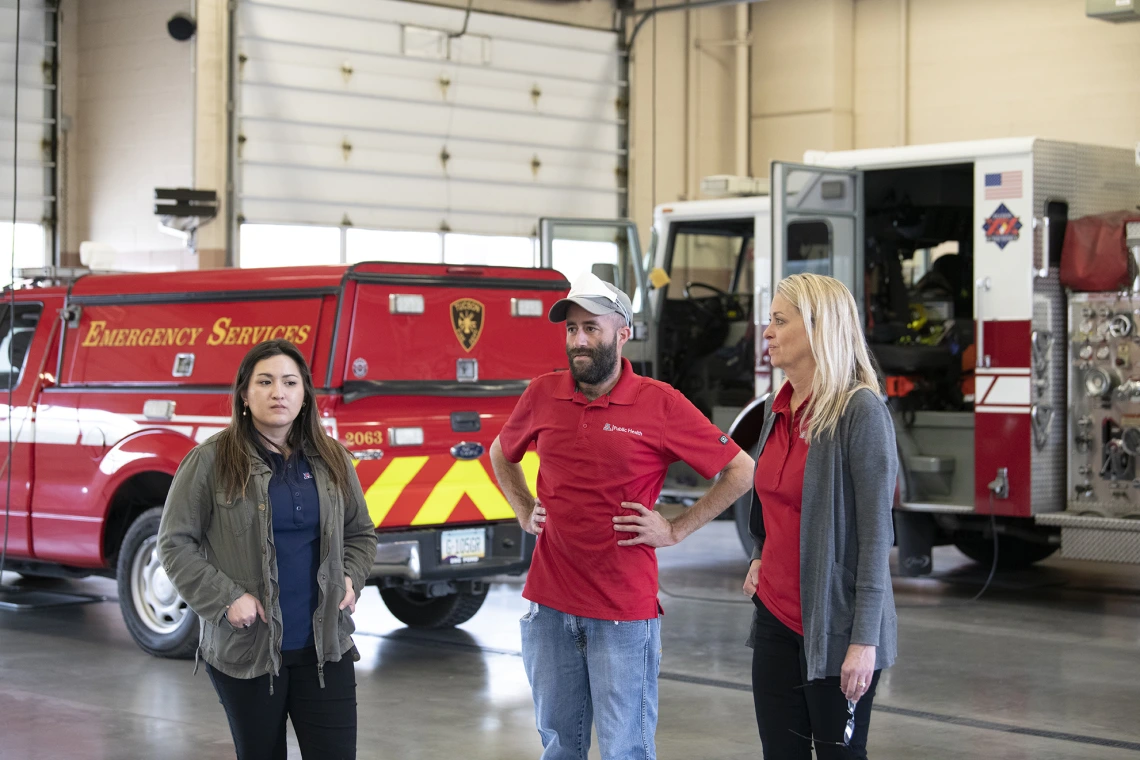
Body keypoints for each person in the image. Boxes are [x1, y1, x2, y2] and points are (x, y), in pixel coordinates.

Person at [490, 272, 755, 760]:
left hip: (622, 615)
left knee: (625, 749)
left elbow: (740, 470)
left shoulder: (660, 404)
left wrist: (674, 529)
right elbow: (500, 454)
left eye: (591, 328)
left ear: (623, 333)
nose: (579, 341)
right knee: (558, 746)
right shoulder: (542, 394)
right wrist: (524, 508)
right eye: (571, 330)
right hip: (548, 606)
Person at [158, 339, 378, 760]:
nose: (279, 392)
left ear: (304, 394)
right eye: (266, 381)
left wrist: (351, 576)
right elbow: (174, 543)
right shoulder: (210, 461)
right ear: (245, 394)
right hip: (249, 650)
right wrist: (225, 599)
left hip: (325, 646)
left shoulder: (332, 459)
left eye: (290, 382)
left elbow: (361, 533)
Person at [742, 273, 898, 759]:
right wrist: (760, 555)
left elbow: (876, 537)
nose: (766, 332)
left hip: (835, 627)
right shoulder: (776, 405)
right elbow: (773, 497)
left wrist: (864, 642)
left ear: (818, 329)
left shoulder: (860, 411)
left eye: (779, 321)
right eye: (769, 320)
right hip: (774, 618)